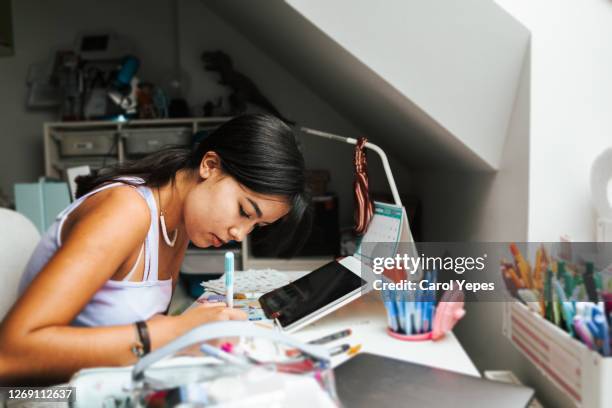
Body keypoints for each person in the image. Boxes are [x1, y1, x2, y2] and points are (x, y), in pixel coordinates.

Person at [0, 114, 311, 385]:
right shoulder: (125, 211)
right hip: (46, 394)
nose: (239, 233)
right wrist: (172, 332)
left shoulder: (177, 224)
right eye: (244, 211)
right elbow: (9, 354)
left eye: (255, 226)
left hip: (106, 377)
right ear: (210, 166)